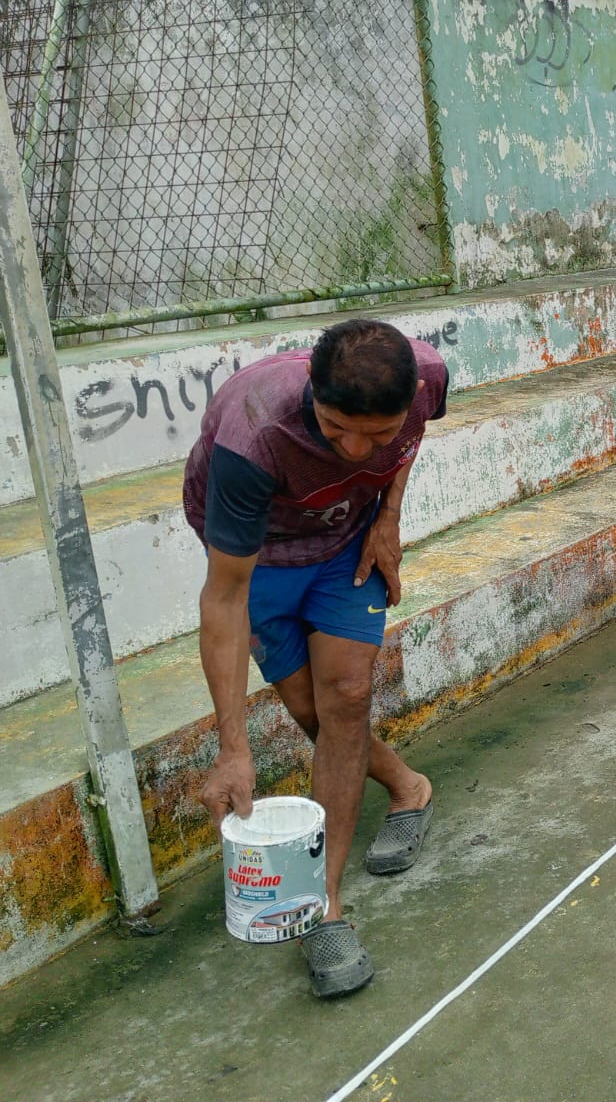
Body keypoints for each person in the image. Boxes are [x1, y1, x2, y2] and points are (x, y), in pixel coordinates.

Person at [182, 318, 448, 998]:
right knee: (310, 711)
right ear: (310, 386)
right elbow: (224, 597)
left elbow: (409, 442)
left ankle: (324, 906)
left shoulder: (426, 379)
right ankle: (408, 786)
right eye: (335, 429)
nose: (356, 450)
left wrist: (387, 516)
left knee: (347, 698)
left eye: (377, 434)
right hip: (259, 557)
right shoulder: (254, 433)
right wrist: (233, 748)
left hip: (343, 545)